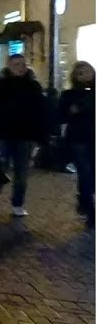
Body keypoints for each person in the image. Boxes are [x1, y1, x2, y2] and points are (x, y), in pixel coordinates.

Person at [0, 53, 48, 216]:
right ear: (8, 66)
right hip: (3, 134)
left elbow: (40, 112)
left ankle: (17, 204)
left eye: (22, 64)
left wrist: (40, 137)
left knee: (22, 172)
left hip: (25, 136)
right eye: (16, 65)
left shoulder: (33, 86)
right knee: (1, 167)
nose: (20, 68)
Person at [59, 61, 95, 227]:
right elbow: (63, 114)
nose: (86, 75)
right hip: (80, 138)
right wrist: (75, 109)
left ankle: (85, 200)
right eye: (81, 72)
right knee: (86, 172)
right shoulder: (69, 94)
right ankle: (89, 207)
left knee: (91, 174)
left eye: (88, 71)